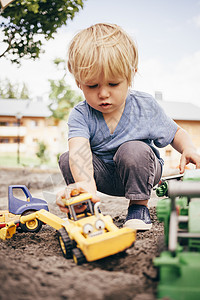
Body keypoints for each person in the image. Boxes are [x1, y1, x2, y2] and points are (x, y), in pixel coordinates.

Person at [56, 23, 200, 230]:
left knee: (132, 149)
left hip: (143, 170)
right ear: (79, 82)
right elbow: (79, 151)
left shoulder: (145, 106)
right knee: (68, 158)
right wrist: (86, 187)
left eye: (113, 84)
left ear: (130, 76)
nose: (103, 93)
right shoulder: (81, 114)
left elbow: (176, 132)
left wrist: (189, 149)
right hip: (105, 176)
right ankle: (85, 208)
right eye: (92, 85)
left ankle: (138, 208)